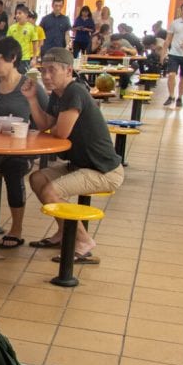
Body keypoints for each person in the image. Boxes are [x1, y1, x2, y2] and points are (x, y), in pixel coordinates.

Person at [26, 48, 125, 263]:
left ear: (68, 70)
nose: (46, 76)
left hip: (103, 170)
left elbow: (61, 132)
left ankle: (83, 240)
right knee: (37, 178)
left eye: (52, 71)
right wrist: (33, 99)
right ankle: (63, 233)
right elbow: (45, 125)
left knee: (51, 191)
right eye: (43, 71)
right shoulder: (58, 94)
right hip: (81, 165)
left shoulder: (75, 92)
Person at [0, 37, 49, 248]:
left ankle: (16, 228)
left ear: (13, 58)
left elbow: (48, 119)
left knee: (13, 169)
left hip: (19, 150)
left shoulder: (30, 86)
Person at [7, 4, 40, 71]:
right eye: (16, 13)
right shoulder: (11, 28)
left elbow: (35, 44)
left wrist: (34, 58)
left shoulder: (31, 28)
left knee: (22, 79)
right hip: (13, 58)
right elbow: (8, 43)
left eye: (20, 13)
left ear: (26, 15)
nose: (17, 15)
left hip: (25, 59)